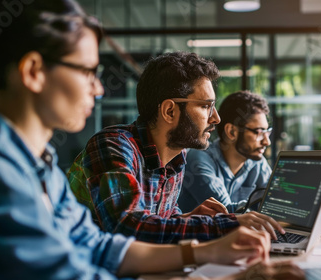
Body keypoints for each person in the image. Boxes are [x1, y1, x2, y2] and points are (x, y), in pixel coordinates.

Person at [0, 1, 304, 279]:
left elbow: (97, 246)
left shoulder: (42, 164)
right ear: (34, 71)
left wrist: (205, 249)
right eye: (87, 71)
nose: (97, 88)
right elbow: (76, 267)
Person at [67, 51, 286, 244]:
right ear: (170, 111)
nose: (216, 118)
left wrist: (187, 218)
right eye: (206, 106)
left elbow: (157, 223)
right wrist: (228, 225)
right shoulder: (113, 146)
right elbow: (128, 227)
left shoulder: (176, 157)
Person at [179, 91, 321, 213]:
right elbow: (225, 211)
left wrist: (319, 201)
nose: (267, 141)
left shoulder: (257, 162)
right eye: (258, 132)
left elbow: (278, 200)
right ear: (232, 132)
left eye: (267, 132)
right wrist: (310, 202)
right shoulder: (198, 159)